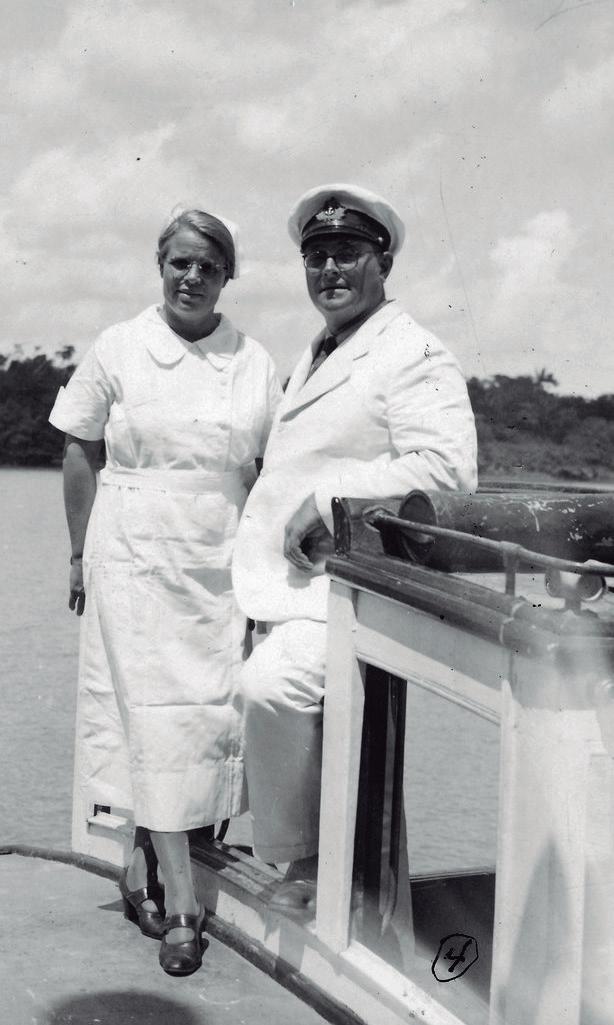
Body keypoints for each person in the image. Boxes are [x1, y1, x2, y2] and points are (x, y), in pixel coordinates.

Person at [232, 183, 478, 911]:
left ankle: (309, 862)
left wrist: (327, 500)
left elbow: (448, 471)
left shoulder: (413, 353)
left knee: (272, 687)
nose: (330, 269)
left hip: (354, 585)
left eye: (347, 253)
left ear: (384, 262)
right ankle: (239, 843)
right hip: (284, 585)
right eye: (317, 257)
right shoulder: (318, 351)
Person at [49, 208, 282, 976]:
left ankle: (138, 867)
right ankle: (182, 902)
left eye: (209, 266)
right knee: (151, 721)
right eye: (180, 262)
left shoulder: (253, 362)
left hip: (219, 564)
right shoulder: (119, 347)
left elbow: (272, 475)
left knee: (209, 719)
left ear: (228, 276)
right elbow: (79, 447)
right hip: (132, 557)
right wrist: (78, 553)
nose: (192, 277)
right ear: (161, 265)